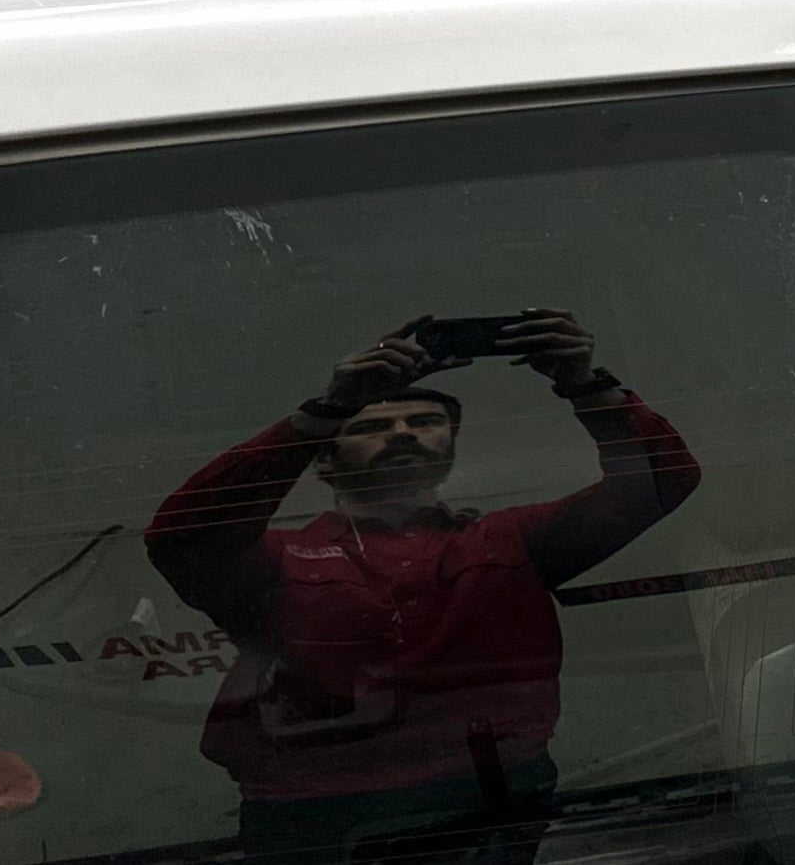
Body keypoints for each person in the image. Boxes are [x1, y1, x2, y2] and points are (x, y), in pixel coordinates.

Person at [147, 310, 700, 864]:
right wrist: (327, 409)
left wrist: (584, 383)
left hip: (491, 801)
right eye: (371, 425)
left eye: (424, 422)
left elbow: (662, 480)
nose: (402, 432)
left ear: (452, 450)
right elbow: (185, 537)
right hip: (312, 814)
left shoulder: (509, 540)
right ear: (325, 460)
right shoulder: (275, 559)